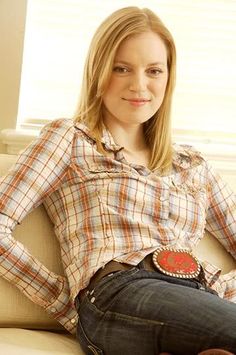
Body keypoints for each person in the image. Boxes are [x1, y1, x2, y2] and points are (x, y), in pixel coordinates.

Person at [0, 6, 235, 355]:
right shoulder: (70, 138)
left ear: (169, 77)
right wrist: (66, 304)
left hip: (195, 296)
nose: (139, 85)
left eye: (154, 70)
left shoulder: (192, 165)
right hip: (118, 294)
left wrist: (222, 289)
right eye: (121, 68)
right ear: (98, 71)